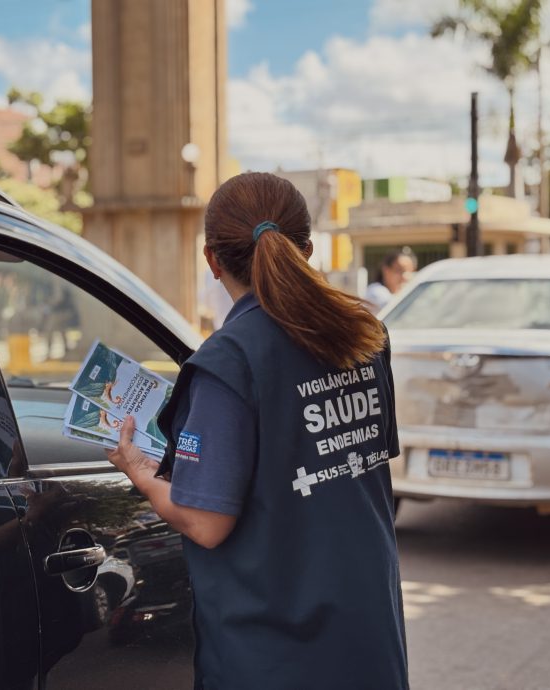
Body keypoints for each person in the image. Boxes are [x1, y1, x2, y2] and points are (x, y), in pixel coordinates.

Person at [107, 172, 408, 689]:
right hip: (367, 631)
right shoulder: (365, 334)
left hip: (276, 651)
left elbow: (206, 522)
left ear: (212, 260)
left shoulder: (230, 361)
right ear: (307, 250)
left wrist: (140, 470)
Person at [365, 247, 417, 314]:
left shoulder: (409, 294)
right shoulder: (375, 292)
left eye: (409, 271)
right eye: (399, 270)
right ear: (386, 270)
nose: (404, 276)